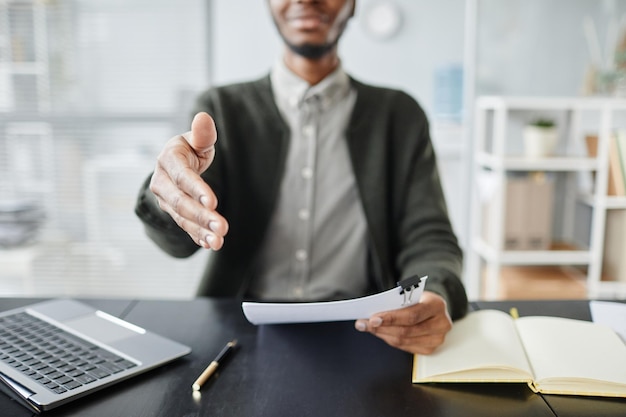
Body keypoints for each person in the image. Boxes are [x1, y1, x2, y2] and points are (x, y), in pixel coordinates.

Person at [135, 0, 468, 354]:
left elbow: (430, 238)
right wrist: (169, 197)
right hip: (238, 336)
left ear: (354, 5)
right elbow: (180, 241)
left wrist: (433, 295)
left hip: (369, 333)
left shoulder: (400, 117)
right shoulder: (222, 110)